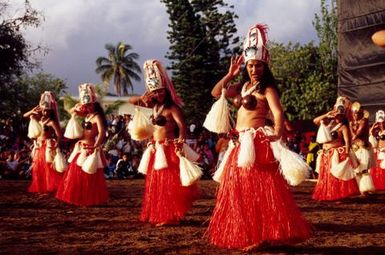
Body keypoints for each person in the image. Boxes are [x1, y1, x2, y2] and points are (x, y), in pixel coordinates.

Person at [206, 24, 310, 250]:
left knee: (260, 189)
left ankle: (260, 236)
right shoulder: (242, 86)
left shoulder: (267, 89)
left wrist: (278, 134)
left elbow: (278, 112)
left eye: (258, 66)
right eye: (251, 65)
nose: (254, 69)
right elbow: (216, 93)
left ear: (265, 66)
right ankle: (251, 232)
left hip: (257, 142)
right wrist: (230, 74)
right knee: (240, 190)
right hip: (239, 143)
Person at [128, 59, 199, 226]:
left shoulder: (172, 108)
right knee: (157, 183)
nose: (158, 94)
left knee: (170, 184)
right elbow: (131, 101)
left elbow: (182, 125)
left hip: (169, 149)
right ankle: (162, 213)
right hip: (156, 149)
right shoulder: (152, 106)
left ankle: (172, 216)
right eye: (155, 92)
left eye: (161, 91)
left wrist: (181, 139)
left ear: (166, 91)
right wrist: (142, 97)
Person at [56, 83, 109, 206]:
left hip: (90, 147)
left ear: (94, 104)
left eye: (90, 105)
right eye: (86, 105)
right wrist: (76, 107)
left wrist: (96, 145)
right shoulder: (86, 115)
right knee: (76, 174)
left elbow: (102, 132)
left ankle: (90, 199)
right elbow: (71, 111)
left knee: (89, 175)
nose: (88, 107)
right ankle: (81, 198)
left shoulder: (97, 117)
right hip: (81, 147)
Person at [312, 96, 360, 201]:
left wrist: (347, 153)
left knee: (334, 175)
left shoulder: (343, 127)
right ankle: (326, 194)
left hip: (336, 152)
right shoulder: (327, 122)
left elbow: (347, 141)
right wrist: (327, 114)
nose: (340, 117)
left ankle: (337, 195)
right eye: (338, 115)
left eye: (342, 116)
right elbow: (315, 121)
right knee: (325, 175)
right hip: (325, 152)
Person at [23, 91, 62, 193]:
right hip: (38, 146)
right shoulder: (37, 119)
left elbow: (59, 134)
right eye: (44, 110)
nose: (46, 112)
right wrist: (32, 111)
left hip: (48, 146)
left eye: (48, 111)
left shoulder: (51, 122)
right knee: (38, 167)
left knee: (48, 167)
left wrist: (57, 143)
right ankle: (41, 187)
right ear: (41, 110)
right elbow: (24, 116)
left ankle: (49, 187)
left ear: (50, 111)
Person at [369, 110, 385, 190]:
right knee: (379, 170)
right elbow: (370, 134)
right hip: (379, 151)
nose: (381, 124)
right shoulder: (378, 132)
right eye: (379, 123)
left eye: (383, 123)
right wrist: (373, 126)